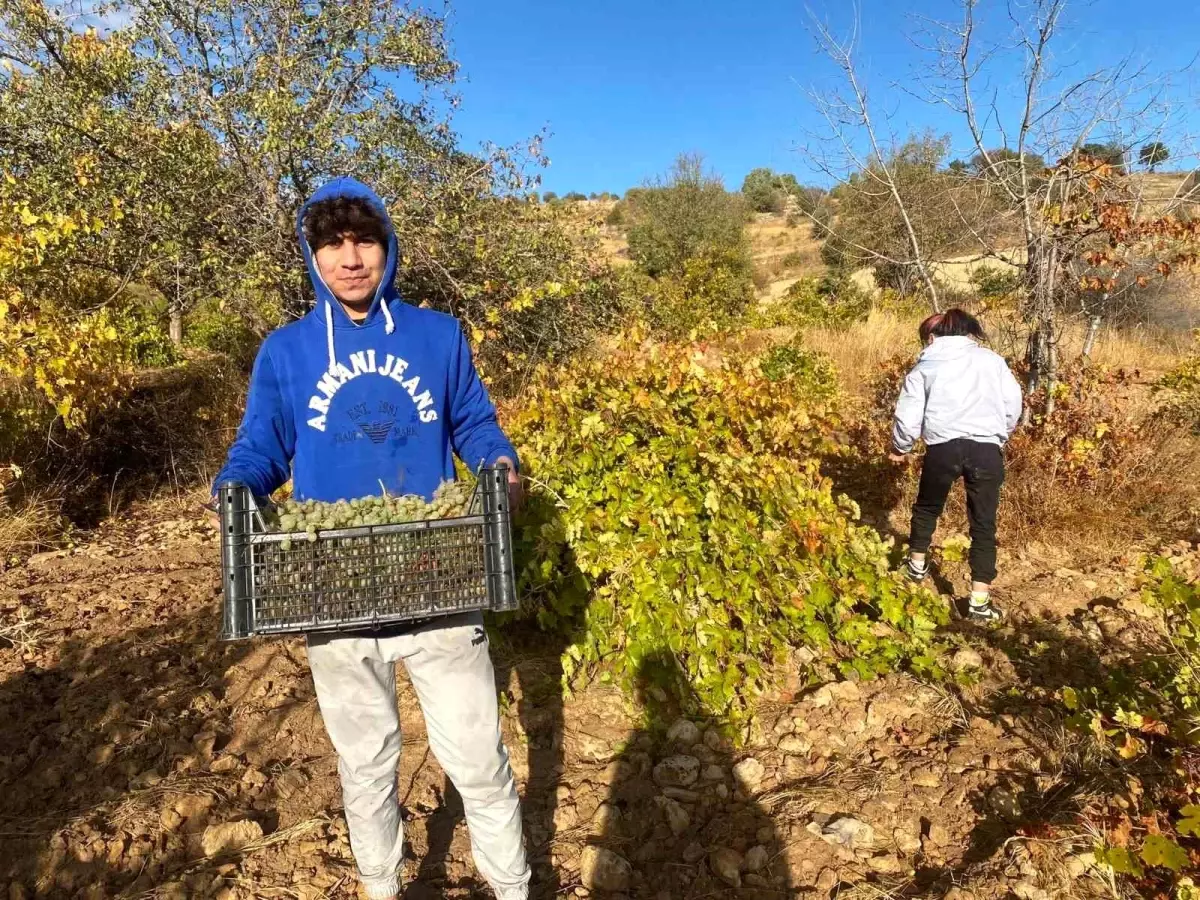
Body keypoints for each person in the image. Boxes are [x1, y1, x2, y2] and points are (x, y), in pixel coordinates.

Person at [212, 178, 530, 900]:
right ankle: (382, 888)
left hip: (439, 573)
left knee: (478, 757)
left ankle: (513, 889)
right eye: (332, 243)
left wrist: (501, 467)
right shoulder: (286, 352)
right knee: (365, 764)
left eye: (365, 240)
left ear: (388, 248)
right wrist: (235, 489)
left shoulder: (437, 336)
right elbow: (260, 447)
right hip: (334, 585)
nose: (350, 258)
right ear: (311, 254)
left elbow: (474, 426)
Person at [889, 309, 1023, 623]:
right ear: (967, 332)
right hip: (985, 449)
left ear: (932, 337)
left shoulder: (924, 366)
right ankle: (979, 603)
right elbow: (1012, 404)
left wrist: (901, 447)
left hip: (943, 448)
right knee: (983, 524)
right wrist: (996, 436)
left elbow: (908, 416)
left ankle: (916, 568)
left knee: (926, 508)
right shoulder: (992, 361)